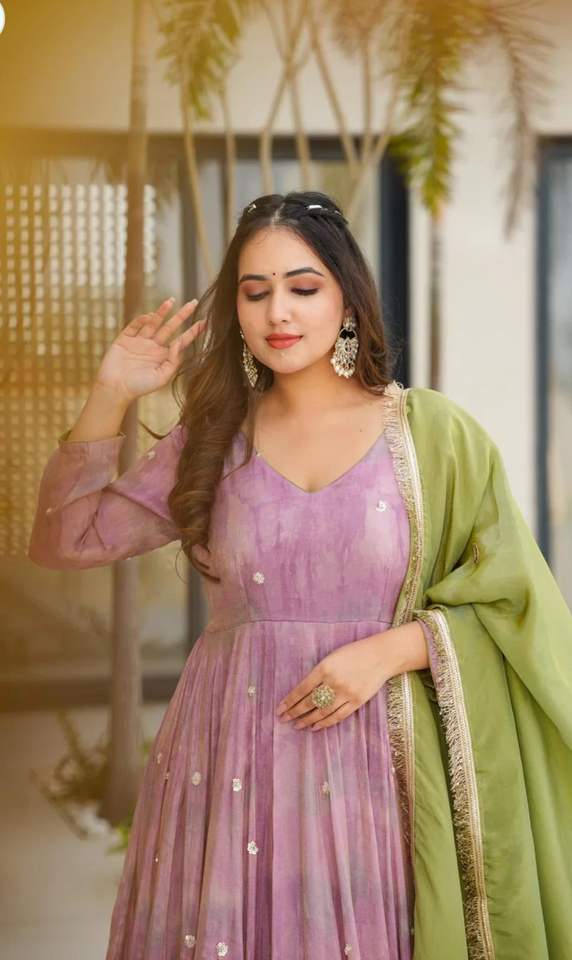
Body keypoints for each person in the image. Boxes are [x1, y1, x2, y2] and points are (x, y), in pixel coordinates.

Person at [28, 191, 572, 960]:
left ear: (346, 298)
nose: (277, 312)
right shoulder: (213, 440)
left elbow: (518, 604)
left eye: (303, 288)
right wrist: (111, 392)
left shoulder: (432, 436)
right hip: (229, 758)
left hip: (382, 767)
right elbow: (66, 538)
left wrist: (387, 651)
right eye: (255, 293)